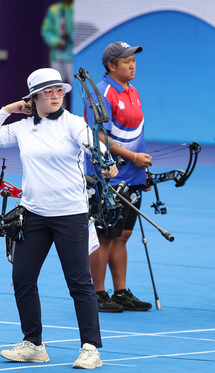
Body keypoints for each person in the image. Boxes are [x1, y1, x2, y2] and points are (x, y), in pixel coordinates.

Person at [0, 68, 118, 369]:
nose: (55, 96)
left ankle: (91, 348)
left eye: (58, 90)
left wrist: (104, 159)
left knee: (79, 282)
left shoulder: (74, 124)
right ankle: (34, 344)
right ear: (33, 98)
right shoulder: (23, 127)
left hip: (71, 215)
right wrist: (7, 109)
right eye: (47, 91)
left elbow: (93, 143)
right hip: (34, 215)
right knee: (22, 279)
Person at [84, 41, 153, 313]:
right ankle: (98, 295)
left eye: (134, 60)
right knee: (104, 236)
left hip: (132, 175)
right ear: (111, 66)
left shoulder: (132, 90)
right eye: (126, 61)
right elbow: (99, 137)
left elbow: (137, 135)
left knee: (122, 235)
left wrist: (141, 170)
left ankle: (120, 291)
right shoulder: (101, 94)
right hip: (107, 177)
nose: (132, 65)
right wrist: (133, 158)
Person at [41, 0, 73, 108]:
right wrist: (56, 42)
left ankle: (79, 114)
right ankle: (59, 113)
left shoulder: (79, 9)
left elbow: (84, 30)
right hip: (57, 56)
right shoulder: (53, 9)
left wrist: (70, 37)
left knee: (77, 86)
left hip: (75, 57)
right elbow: (46, 30)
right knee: (56, 86)